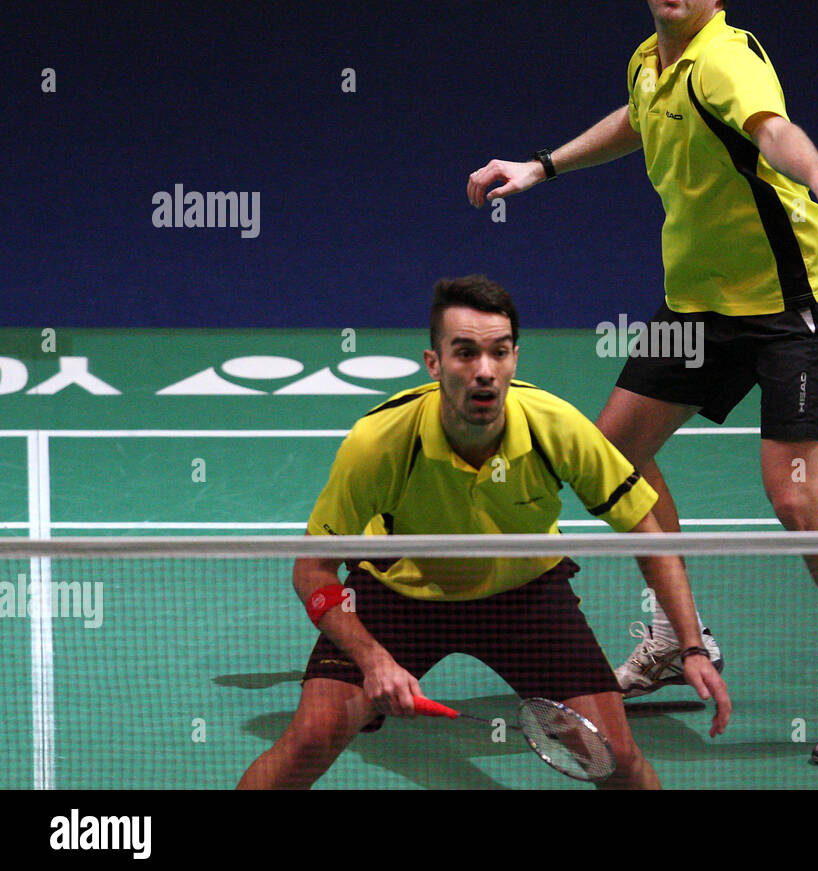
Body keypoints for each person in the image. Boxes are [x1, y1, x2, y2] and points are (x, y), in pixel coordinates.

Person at [466, 0, 818, 765]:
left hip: (794, 306)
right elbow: (639, 119)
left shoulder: (726, 59)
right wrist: (542, 166)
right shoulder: (652, 63)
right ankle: (682, 637)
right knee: (616, 453)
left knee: (794, 493)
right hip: (703, 309)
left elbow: (770, 130)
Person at [238, 275, 729, 790]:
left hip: (525, 598)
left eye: (499, 353)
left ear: (516, 357)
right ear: (434, 363)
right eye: (465, 353)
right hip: (398, 597)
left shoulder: (555, 426)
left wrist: (691, 647)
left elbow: (648, 535)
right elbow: (310, 569)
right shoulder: (380, 443)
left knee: (616, 761)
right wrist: (374, 660)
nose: (484, 372)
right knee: (310, 738)